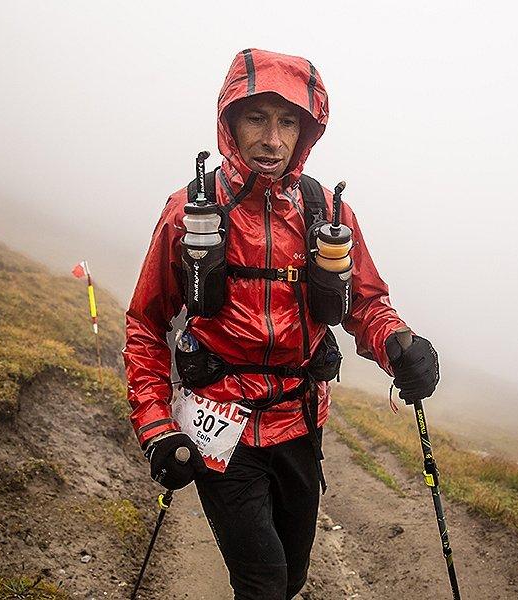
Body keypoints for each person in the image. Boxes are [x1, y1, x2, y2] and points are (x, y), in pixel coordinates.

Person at [124, 48, 440, 600]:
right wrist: (157, 426)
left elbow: (364, 302)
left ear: (306, 130)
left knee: (291, 577)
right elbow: (146, 324)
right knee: (264, 581)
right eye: (257, 117)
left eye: (287, 121)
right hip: (219, 425)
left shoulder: (327, 213)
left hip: (301, 422)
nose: (272, 139)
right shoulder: (188, 213)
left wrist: (400, 345)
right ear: (230, 122)